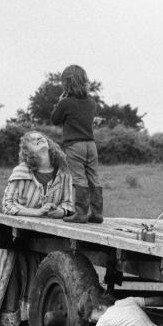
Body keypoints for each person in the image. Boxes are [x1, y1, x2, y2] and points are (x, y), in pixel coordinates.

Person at [0, 131, 75, 326]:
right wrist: (36, 213)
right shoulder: (22, 172)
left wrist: (59, 213)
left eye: (41, 137)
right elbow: (8, 205)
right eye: (33, 140)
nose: (39, 139)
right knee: (12, 288)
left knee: (41, 286)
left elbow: (70, 205)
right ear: (28, 151)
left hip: (46, 244)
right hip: (17, 243)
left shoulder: (62, 173)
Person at [51, 64, 102, 224]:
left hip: (75, 145)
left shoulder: (66, 103)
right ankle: (97, 213)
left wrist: (59, 102)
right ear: (85, 81)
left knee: (79, 178)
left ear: (66, 84)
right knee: (94, 177)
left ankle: (80, 213)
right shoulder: (92, 103)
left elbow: (55, 119)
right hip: (91, 145)